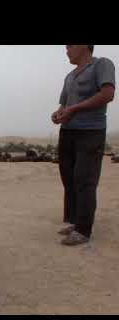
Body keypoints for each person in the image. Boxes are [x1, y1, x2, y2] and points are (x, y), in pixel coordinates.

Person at [51, 45, 115, 245]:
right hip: (68, 132)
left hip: (91, 131)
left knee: (84, 179)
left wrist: (75, 109)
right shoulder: (69, 77)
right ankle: (77, 221)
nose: (66, 49)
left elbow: (107, 94)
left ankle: (84, 230)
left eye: (70, 46)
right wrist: (58, 113)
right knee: (68, 177)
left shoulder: (102, 64)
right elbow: (64, 105)